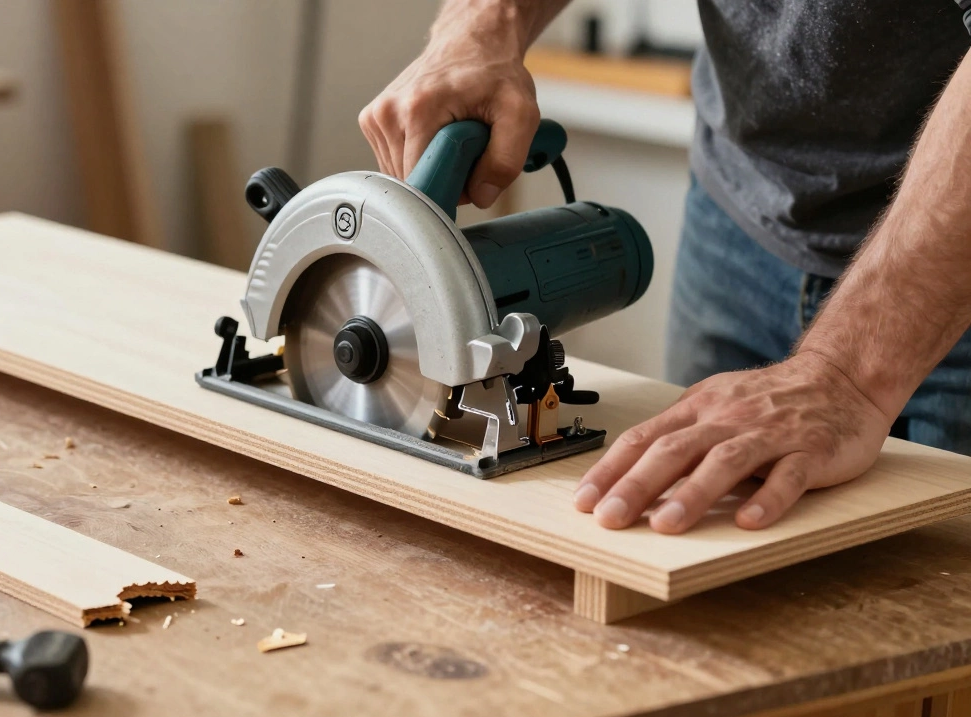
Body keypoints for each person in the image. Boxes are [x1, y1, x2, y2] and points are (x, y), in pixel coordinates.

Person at [360, 0, 971, 534]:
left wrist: (849, 376)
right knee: (698, 528)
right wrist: (484, 23)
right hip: (739, 209)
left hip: (948, 267)